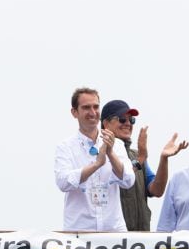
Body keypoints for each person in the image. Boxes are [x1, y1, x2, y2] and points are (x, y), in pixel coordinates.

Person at [100, 99, 189, 231]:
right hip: (112, 238)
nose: (128, 123)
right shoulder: (99, 154)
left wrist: (163, 159)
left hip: (140, 238)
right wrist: (141, 158)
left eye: (131, 120)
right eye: (122, 119)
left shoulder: (136, 155)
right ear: (105, 124)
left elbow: (156, 190)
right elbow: (124, 175)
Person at [54, 87, 135, 231]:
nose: (92, 112)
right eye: (86, 108)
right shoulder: (65, 147)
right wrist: (96, 165)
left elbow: (128, 181)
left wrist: (110, 153)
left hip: (113, 232)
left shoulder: (116, 144)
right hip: (79, 234)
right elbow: (63, 182)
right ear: (74, 112)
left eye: (96, 107)